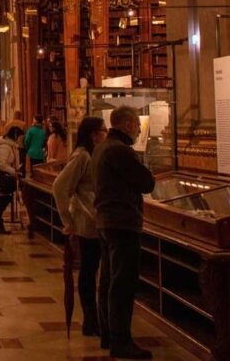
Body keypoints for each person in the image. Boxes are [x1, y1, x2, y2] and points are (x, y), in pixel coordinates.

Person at [94, 106, 156, 359]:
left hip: (107, 221)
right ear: (128, 124)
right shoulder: (119, 150)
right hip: (122, 223)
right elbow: (146, 182)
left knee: (109, 280)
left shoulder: (103, 148)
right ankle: (121, 341)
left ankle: (108, 334)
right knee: (122, 284)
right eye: (137, 124)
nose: (140, 129)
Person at [52, 117, 108, 338]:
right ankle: (90, 321)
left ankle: (95, 319)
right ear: (94, 134)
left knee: (92, 270)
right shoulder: (82, 155)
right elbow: (60, 186)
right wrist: (68, 221)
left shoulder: (92, 154)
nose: (106, 134)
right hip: (87, 223)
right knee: (88, 271)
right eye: (104, 130)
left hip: (95, 220)